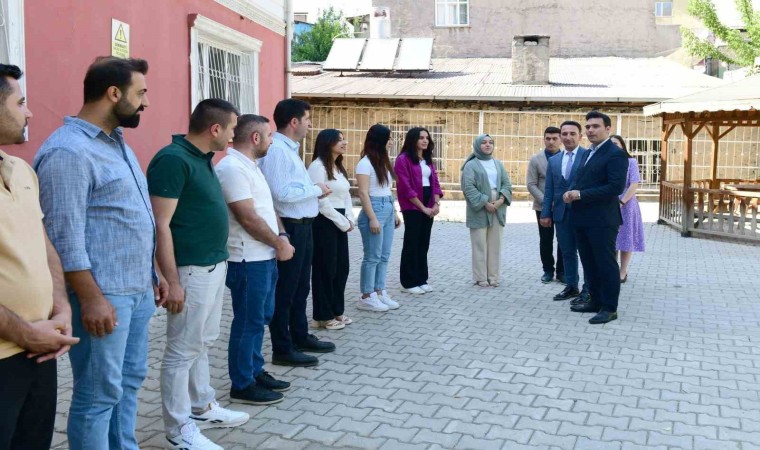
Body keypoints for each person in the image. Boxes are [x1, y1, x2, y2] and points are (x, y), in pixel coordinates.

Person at [34, 57, 161, 450]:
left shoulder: (116, 143)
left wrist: (152, 274)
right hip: (103, 295)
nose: (146, 103)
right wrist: (91, 299)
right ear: (114, 93)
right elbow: (63, 236)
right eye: (141, 93)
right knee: (98, 394)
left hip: (135, 289)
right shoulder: (68, 151)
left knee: (128, 382)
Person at [148, 99, 249, 450]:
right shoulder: (173, 160)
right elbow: (160, 224)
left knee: (202, 341)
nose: (234, 136)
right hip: (189, 271)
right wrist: (172, 280)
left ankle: (202, 406)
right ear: (215, 128)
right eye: (232, 129)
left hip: (213, 265)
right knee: (181, 350)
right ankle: (179, 430)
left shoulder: (202, 158)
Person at [0, 63, 79, 450]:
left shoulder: (21, 170)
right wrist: (25, 333)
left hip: (40, 351)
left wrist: (61, 309)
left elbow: (42, 242)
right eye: (20, 103)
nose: (29, 112)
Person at [215, 114, 295, 406]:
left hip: (264, 256)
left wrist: (282, 236)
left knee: (260, 318)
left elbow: (267, 208)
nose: (272, 141)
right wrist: (278, 243)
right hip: (247, 259)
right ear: (255, 137)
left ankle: (255, 370)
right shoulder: (232, 168)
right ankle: (242, 383)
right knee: (248, 322)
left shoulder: (251, 166)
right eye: (270, 135)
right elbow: (247, 217)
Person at [258, 99, 335, 368]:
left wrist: (313, 193)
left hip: (304, 225)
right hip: (290, 226)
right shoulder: (278, 150)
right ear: (294, 122)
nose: (310, 125)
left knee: (301, 287)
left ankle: (299, 335)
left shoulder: (290, 149)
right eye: (307, 119)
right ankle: (282, 347)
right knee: (286, 289)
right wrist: (315, 189)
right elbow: (280, 193)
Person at [563, 111, 628, 324]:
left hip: (602, 220)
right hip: (582, 218)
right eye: (588, 127)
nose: (590, 130)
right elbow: (582, 179)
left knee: (606, 264)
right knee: (589, 263)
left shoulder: (615, 154)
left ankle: (609, 308)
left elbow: (615, 187)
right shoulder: (588, 152)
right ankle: (595, 300)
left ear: (608, 129)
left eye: (595, 126)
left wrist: (581, 194)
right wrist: (571, 191)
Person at [307, 129, 355, 329]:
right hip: (324, 221)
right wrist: (342, 222)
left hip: (340, 220)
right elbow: (320, 201)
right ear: (327, 143)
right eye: (339, 140)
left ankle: (337, 311)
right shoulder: (317, 167)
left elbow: (346, 195)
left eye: (344, 139)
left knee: (341, 268)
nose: (344, 143)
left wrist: (350, 218)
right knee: (325, 269)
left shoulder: (338, 167)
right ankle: (322, 316)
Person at [540, 121, 590, 302]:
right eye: (565, 134)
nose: (568, 137)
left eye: (572, 133)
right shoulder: (554, 160)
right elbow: (549, 189)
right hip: (561, 214)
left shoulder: (588, 156)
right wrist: (546, 213)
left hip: (584, 213)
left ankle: (588, 289)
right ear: (561, 136)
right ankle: (571, 286)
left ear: (580, 136)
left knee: (586, 253)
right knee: (567, 252)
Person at [356, 124, 402, 311]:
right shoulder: (365, 163)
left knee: (384, 255)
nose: (391, 141)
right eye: (388, 138)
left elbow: (386, 190)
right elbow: (363, 193)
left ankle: (379, 290)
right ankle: (367, 295)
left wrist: (394, 212)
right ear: (379, 140)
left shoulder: (383, 161)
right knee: (372, 256)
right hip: (374, 208)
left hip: (387, 207)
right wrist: (372, 218)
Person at [394, 127, 444, 295]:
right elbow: (405, 187)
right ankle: (408, 282)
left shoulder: (428, 159)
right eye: (421, 137)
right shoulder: (403, 159)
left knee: (423, 242)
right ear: (413, 139)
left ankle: (421, 279)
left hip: (429, 203)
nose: (425, 140)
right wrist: (422, 208)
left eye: (427, 138)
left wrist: (436, 204)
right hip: (412, 206)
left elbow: (435, 182)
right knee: (412, 242)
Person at [461, 134, 513, 287]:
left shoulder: (498, 164)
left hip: (498, 205)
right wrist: (485, 202)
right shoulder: (471, 165)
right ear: (478, 145)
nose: (487, 145)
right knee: (479, 243)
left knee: (495, 243)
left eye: (490, 142)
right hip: (479, 206)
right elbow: (468, 187)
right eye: (483, 142)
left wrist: (500, 200)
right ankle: (480, 277)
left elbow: (507, 184)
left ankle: (493, 276)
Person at [527, 127, 565, 284]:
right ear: (544, 139)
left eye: (555, 138)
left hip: (563, 206)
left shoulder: (566, 158)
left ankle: (562, 272)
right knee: (545, 240)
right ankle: (548, 270)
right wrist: (546, 201)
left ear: (560, 140)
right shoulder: (536, 159)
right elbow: (531, 184)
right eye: (548, 138)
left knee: (563, 240)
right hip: (543, 207)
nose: (551, 141)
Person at [610, 135, 645, 283]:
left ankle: (623, 271)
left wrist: (622, 201)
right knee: (611, 239)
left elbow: (634, 184)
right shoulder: (606, 162)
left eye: (616, 143)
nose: (613, 146)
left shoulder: (631, 162)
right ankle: (611, 269)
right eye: (610, 144)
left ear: (622, 145)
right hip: (608, 204)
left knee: (626, 238)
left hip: (627, 205)